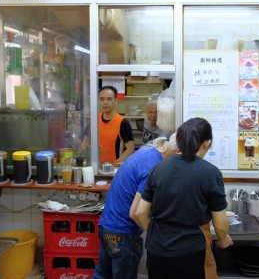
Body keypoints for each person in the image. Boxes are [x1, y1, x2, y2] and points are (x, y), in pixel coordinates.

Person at [135, 117, 233, 279]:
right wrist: (223, 239)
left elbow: (140, 213)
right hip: (190, 252)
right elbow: (221, 225)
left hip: (156, 251)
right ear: (207, 143)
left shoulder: (158, 167)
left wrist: (159, 235)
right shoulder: (211, 173)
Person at [94, 136, 178, 279]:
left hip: (107, 226)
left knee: (102, 275)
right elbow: (136, 213)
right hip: (124, 233)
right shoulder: (154, 167)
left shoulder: (146, 152)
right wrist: (157, 236)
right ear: (178, 153)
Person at [81, 86, 135, 164]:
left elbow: (131, 148)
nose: (105, 102)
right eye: (102, 99)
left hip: (113, 169)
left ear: (116, 101)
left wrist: (116, 164)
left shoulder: (122, 123)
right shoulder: (94, 119)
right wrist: (84, 158)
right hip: (95, 166)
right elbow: (86, 140)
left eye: (109, 99)